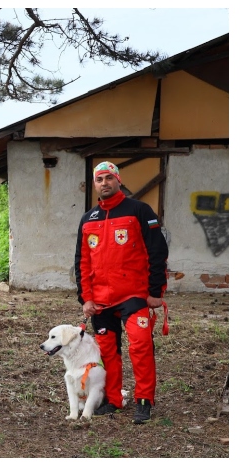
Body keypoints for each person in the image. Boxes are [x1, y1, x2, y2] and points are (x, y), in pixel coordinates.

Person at [75, 161, 169, 424]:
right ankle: (113, 400)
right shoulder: (87, 219)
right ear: (94, 184)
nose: (104, 183)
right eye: (99, 179)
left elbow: (158, 251)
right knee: (106, 353)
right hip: (101, 301)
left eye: (108, 178)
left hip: (134, 295)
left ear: (118, 180)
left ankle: (143, 401)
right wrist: (86, 298)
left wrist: (155, 291)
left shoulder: (139, 210)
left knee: (140, 345)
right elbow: (81, 261)